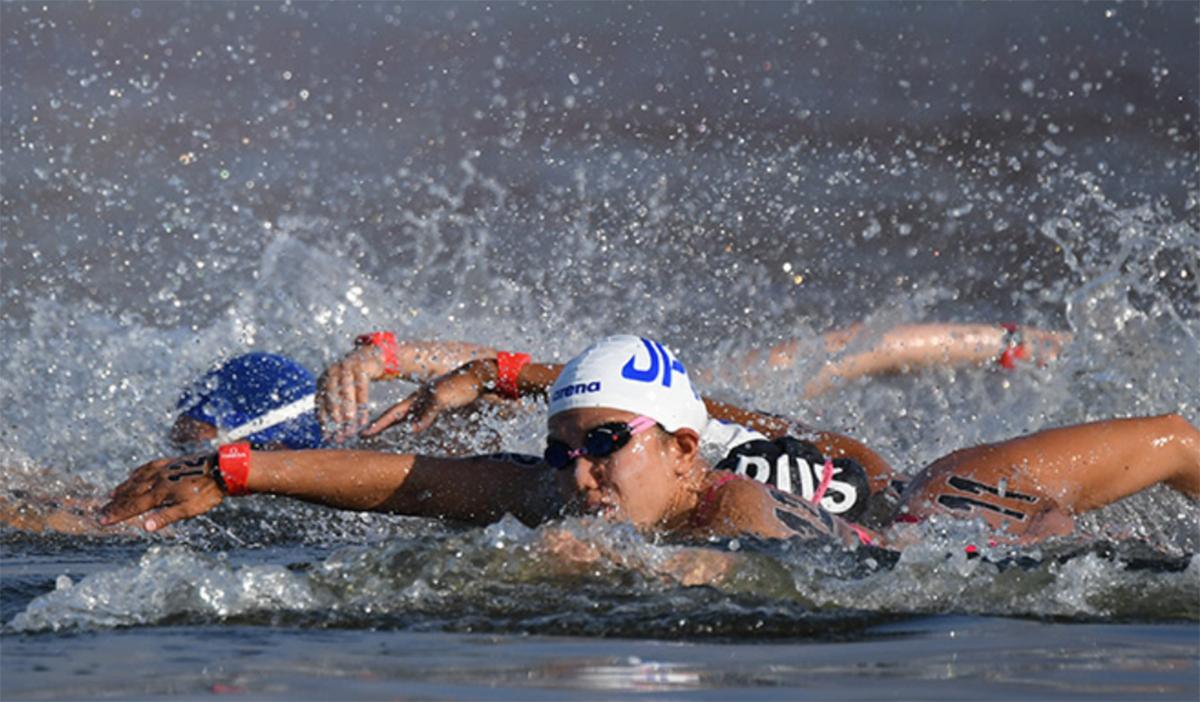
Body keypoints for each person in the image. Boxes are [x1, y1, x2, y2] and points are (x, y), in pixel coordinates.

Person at [99, 335, 1199, 585]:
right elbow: (427, 484)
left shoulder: (724, 507)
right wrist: (234, 476)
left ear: (679, 450)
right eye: (566, 452)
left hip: (942, 505)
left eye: (604, 448)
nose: (578, 474)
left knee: (1173, 449)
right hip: (847, 478)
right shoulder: (593, 474)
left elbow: (750, 561)